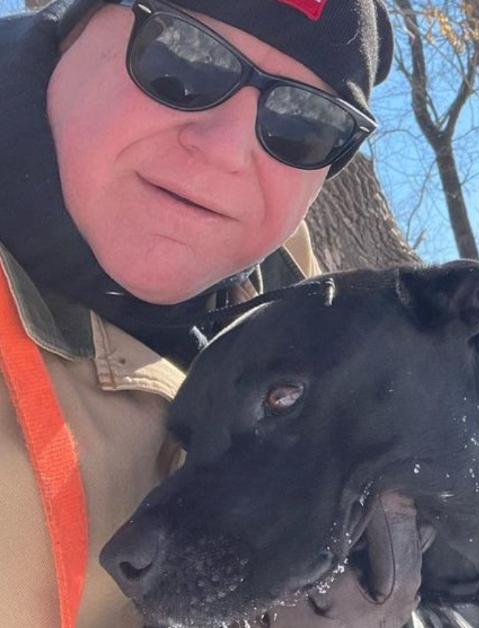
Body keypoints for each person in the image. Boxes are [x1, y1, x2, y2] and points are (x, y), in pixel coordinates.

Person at [0, 0, 398, 625]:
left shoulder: (304, 304)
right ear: (72, 30)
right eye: (185, 58)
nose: (226, 150)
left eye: (305, 122)